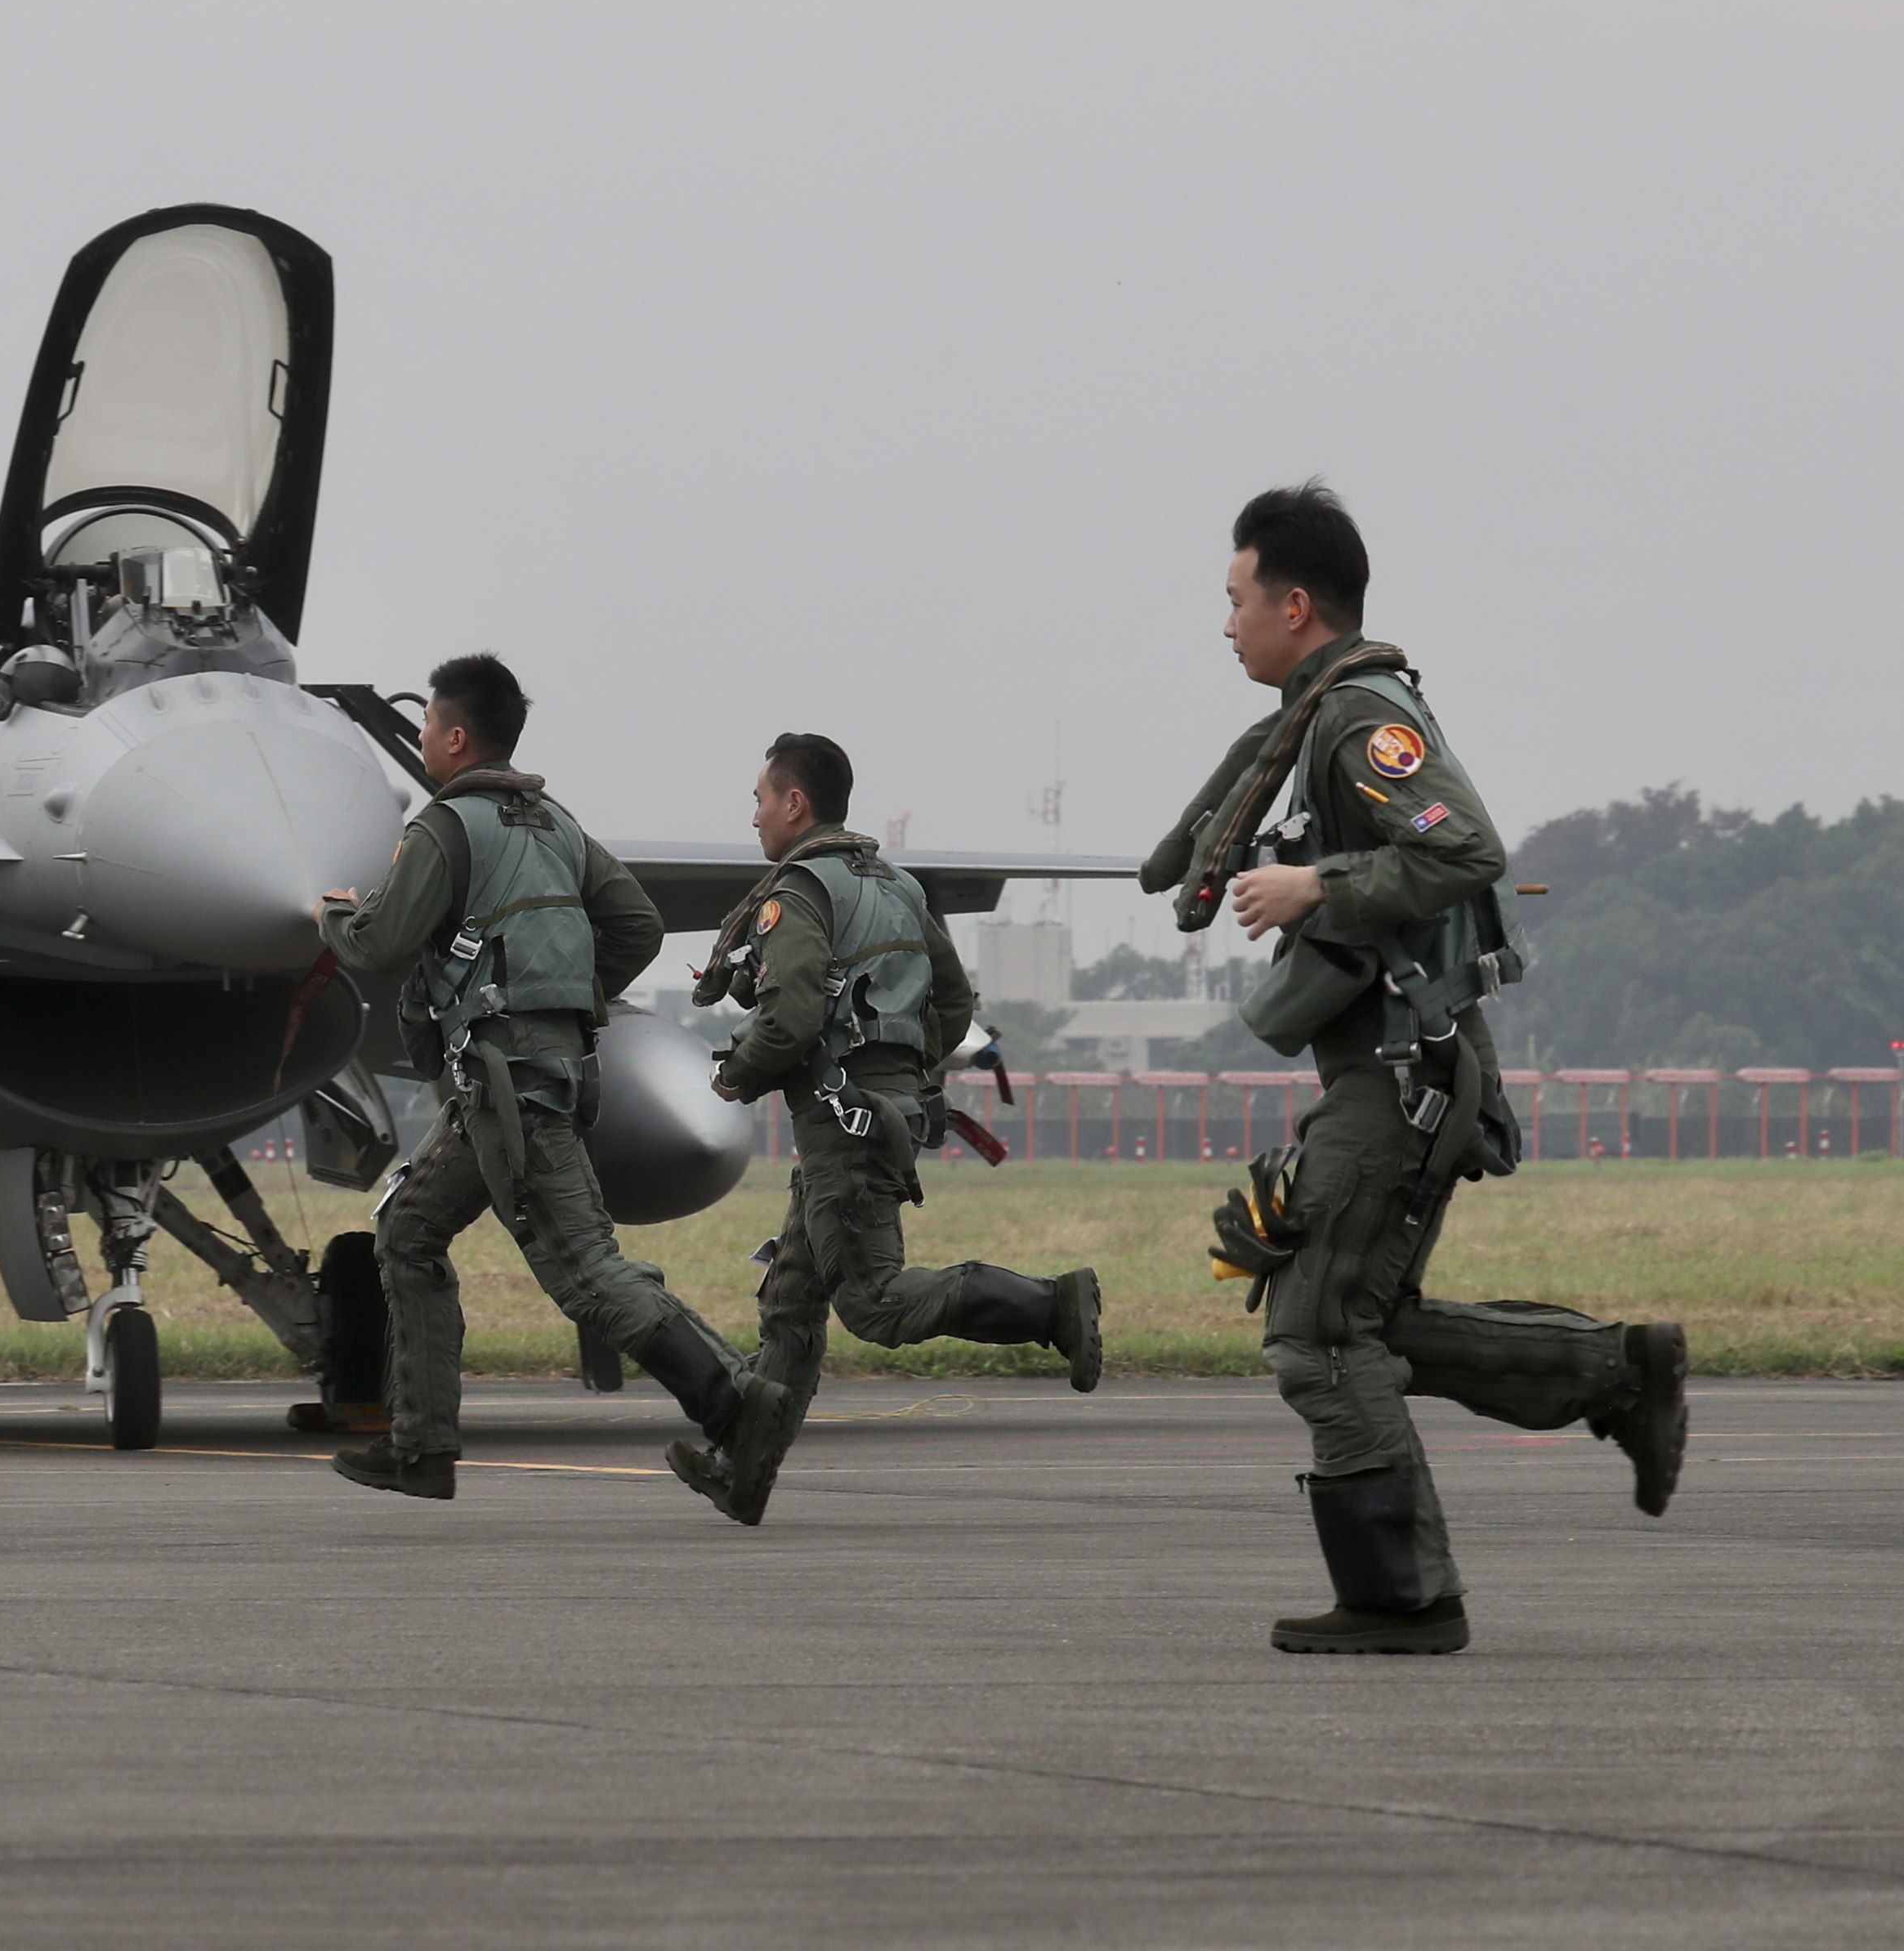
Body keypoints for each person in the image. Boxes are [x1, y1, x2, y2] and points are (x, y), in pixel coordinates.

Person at [1150, 481, 1687, 1655]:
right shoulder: (1321, 719)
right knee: (1371, 1319)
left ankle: (1402, 1597)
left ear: (1295, 605)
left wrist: (1315, 887)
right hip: (1397, 1070)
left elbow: (1463, 844)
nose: (1224, 621)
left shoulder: (1357, 719)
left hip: (1400, 1076)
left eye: (1235, 598)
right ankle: (1614, 1373)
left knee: (1316, 1334)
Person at [316, 653, 797, 1518]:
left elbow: (378, 945)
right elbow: (638, 925)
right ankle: (421, 1447)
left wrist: (332, 911)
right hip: (521, 1078)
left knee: (586, 1273)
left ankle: (738, 1405)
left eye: (426, 724)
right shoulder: (554, 825)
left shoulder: (445, 828)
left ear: (456, 736)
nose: (421, 736)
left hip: (508, 1086)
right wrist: (563, 998)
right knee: (409, 1233)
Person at [680, 733, 1102, 1523]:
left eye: (760, 799)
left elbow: (794, 1012)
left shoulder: (800, 893)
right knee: (791, 1299)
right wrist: (900, 1077)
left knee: (872, 1302)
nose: (755, 817)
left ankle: (1053, 1306)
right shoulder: (897, 884)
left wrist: (735, 1072)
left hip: (843, 1125)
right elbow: (952, 1004)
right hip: (870, 1114)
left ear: (794, 803)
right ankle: (742, 1469)